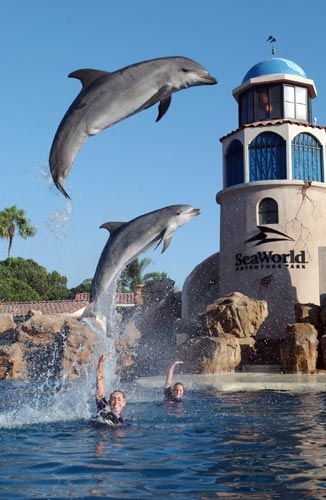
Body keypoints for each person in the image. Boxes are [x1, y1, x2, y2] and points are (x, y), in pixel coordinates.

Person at [95, 353, 128, 426]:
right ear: (109, 402)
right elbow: (100, 383)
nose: (116, 402)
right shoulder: (103, 409)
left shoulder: (124, 423)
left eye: (119, 399)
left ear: (124, 403)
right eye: (113, 399)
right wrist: (101, 363)